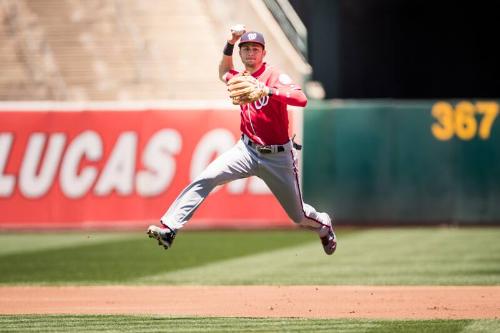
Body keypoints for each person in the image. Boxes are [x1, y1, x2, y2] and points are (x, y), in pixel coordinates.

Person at [147, 27, 337, 255]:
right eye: (245, 49)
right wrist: (229, 42)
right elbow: (223, 71)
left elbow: (301, 98)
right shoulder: (240, 78)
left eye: (255, 49)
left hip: (278, 157)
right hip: (246, 151)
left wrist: (268, 90)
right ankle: (170, 228)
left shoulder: (274, 75)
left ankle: (324, 225)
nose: (250, 53)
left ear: (263, 54)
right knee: (207, 177)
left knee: (298, 215)